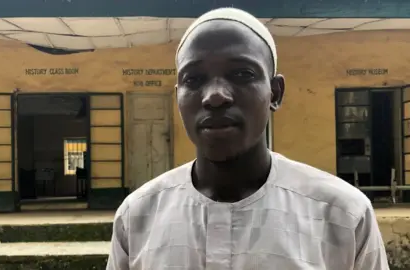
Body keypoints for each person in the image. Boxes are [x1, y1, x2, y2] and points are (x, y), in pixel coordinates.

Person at [106, 7, 389, 270]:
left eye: (242, 74)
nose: (215, 95)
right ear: (178, 96)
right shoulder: (138, 215)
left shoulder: (343, 214)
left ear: (275, 93)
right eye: (194, 79)